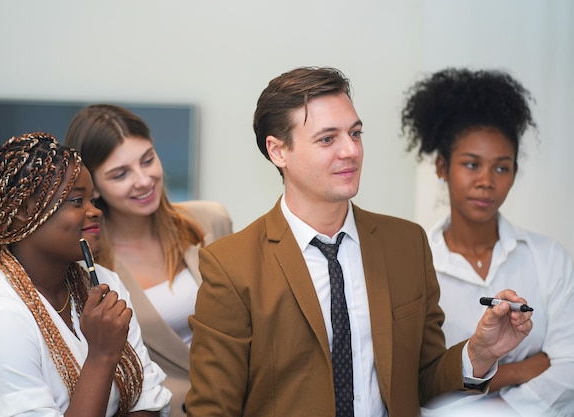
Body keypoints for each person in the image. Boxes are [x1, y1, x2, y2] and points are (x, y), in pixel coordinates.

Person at [184, 66, 533, 417]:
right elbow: (212, 408)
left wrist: (479, 353)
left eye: (355, 133)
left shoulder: (406, 244)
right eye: (327, 138)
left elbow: (420, 381)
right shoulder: (231, 266)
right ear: (278, 152)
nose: (351, 150)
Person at [0, 132, 172, 416]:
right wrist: (102, 355)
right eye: (78, 201)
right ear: (24, 211)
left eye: (93, 200)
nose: (95, 212)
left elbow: (147, 401)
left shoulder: (105, 282)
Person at [400, 67, 574, 416]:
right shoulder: (412, 264)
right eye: (471, 164)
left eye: (501, 167)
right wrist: (518, 370)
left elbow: (568, 368)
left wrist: (484, 398)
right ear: (441, 168)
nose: (486, 181)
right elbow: (415, 383)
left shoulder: (548, 258)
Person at [64, 104, 232, 417]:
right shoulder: (88, 267)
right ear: (94, 188)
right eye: (120, 174)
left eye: (148, 160)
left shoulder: (211, 222)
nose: (144, 180)